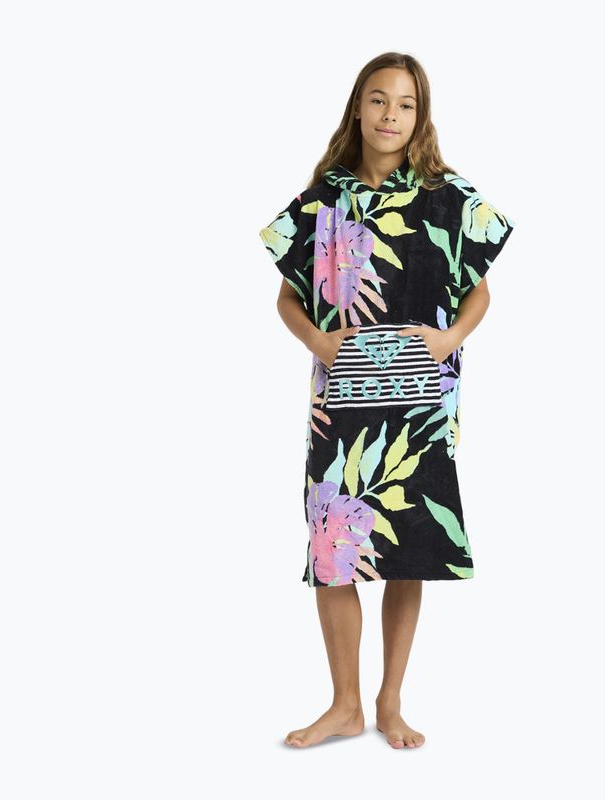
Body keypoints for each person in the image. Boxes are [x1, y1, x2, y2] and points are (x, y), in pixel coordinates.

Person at [259, 51, 515, 749]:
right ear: (358, 107)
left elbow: (479, 292)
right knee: (330, 547)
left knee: (409, 545)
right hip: (342, 397)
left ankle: (389, 702)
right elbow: (286, 298)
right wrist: (318, 340)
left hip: (420, 400)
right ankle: (344, 704)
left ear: (420, 115)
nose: (390, 115)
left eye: (405, 104)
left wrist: (449, 338)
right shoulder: (324, 199)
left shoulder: (448, 196)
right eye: (378, 100)